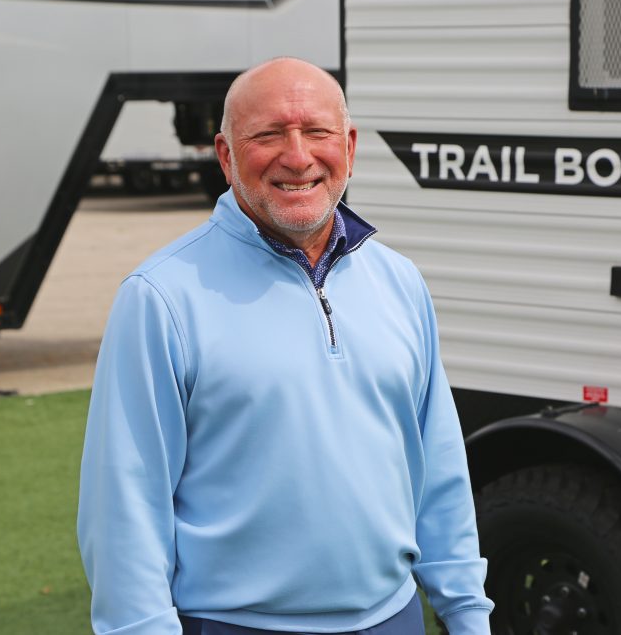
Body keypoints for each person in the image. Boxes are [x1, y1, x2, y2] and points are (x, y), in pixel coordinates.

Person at [77, 57, 492, 635]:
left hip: (392, 620)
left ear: (348, 146)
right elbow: (124, 503)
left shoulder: (400, 281)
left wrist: (467, 613)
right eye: (267, 135)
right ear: (225, 155)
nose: (297, 157)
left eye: (317, 132)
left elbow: (438, 465)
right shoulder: (161, 295)